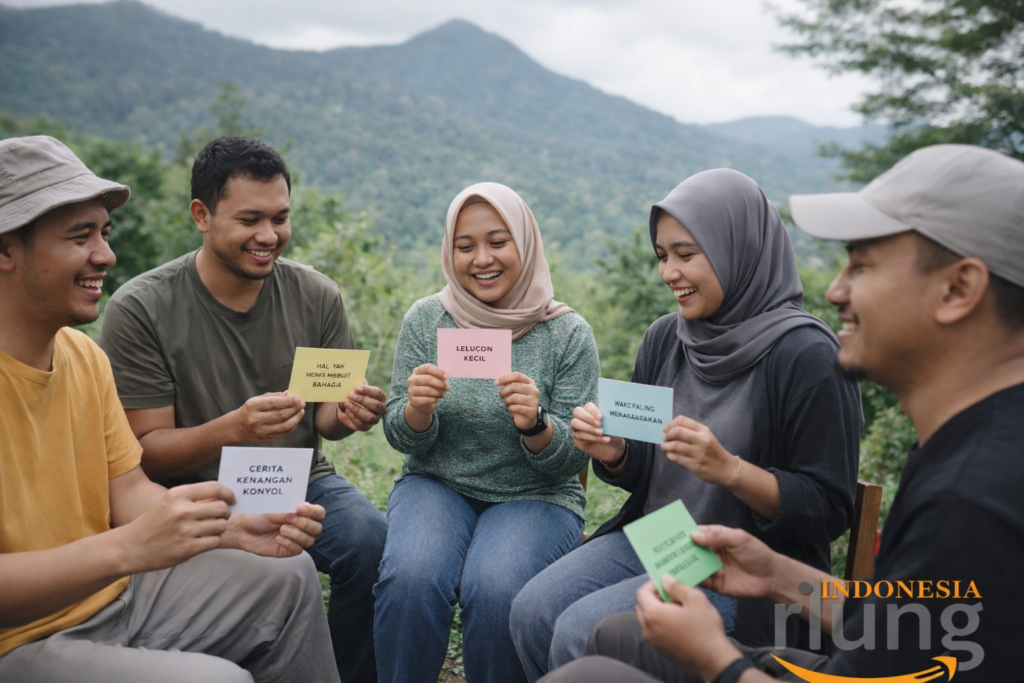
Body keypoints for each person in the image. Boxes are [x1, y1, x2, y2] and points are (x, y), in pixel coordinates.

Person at [540, 144, 1024, 682]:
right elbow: (912, 628)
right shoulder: (959, 450)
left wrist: (718, 660)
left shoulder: (973, 496)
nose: (836, 289)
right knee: (559, 616)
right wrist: (777, 574)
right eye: (663, 255)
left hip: (734, 584)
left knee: (582, 644)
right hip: (678, 544)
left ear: (959, 289)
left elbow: (833, 517)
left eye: (861, 266)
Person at [0, 135, 337, 683]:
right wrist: (127, 549)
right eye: (79, 236)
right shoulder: (144, 307)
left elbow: (129, 491)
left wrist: (231, 528)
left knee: (291, 574)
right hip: (20, 639)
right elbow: (135, 514)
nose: (105, 255)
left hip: (109, 594)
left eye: (103, 234)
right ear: (6, 249)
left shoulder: (83, 357)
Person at [511, 169, 862, 680]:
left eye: (686, 254)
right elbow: (645, 470)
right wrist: (615, 452)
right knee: (532, 610)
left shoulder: (806, 354)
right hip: (661, 536)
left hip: (741, 566)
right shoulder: (666, 338)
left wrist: (731, 471)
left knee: (579, 630)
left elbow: (828, 510)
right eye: (662, 256)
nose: (668, 272)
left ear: (736, 249)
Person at [97, 136, 387, 683]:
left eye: (280, 218)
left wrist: (347, 414)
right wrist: (236, 428)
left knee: (371, 543)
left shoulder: (317, 295)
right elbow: (148, 456)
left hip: (297, 479)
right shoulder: (142, 308)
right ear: (201, 216)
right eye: (249, 219)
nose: (269, 236)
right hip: (193, 490)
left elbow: (323, 418)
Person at [373, 182, 599, 683]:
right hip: (438, 483)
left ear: (525, 242)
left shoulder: (567, 333)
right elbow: (397, 432)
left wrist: (536, 424)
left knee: (498, 589)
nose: (482, 259)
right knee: (411, 578)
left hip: (536, 495)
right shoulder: (427, 318)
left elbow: (574, 458)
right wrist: (417, 411)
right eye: (465, 245)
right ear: (449, 251)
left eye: (498, 242)